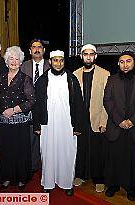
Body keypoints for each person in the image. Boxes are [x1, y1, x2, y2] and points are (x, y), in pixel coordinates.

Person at [33, 50, 83, 196]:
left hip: (67, 124)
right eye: (55, 60)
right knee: (48, 153)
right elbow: (36, 104)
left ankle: (67, 183)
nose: (58, 63)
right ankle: (48, 183)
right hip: (47, 124)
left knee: (67, 153)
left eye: (61, 60)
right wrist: (37, 125)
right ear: (50, 61)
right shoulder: (42, 80)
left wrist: (77, 126)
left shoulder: (72, 79)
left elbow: (79, 104)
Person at [103, 51, 135, 201]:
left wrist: (132, 121)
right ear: (118, 64)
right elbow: (107, 101)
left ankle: (131, 187)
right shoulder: (111, 79)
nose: (125, 64)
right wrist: (119, 120)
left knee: (133, 159)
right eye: (122, 62)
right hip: (116, 127)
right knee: (114, 158)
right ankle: (113, 185)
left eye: (128, 61)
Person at [0, 46, 35, 191]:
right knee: (6, 151)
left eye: (16, 59)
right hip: (3, 123)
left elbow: (31, 101)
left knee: (20, 151)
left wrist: (13, 110)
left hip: (19, 123)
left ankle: (21, 179)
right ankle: (6, 178)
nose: (13, 61)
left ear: (20, 62)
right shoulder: (1, 77)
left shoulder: (25, 79)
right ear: (6, 61)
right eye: (10, 58)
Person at [73, 44, 110, 192]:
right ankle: (80, 175)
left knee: (97, 151)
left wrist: (103, 121)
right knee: (80, 149)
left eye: (91, 54)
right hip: (80, 120)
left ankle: (99, 178)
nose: (88, 56)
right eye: (85, 54)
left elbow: (107, 101)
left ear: (95, 56)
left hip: (97, 119)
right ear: (81, 56)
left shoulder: (105, 74)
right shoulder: (74, 74)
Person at [20, 39, 50, 174]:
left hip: (48, 108)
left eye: (40, 47)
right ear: (29, 51)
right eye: (34, 47)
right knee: (31, 139)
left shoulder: (52, 65)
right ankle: (32, 166)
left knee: (48, 140)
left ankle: (48, 167)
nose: (37, 49)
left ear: (44, 50)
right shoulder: (23, 66)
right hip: (29, 109)